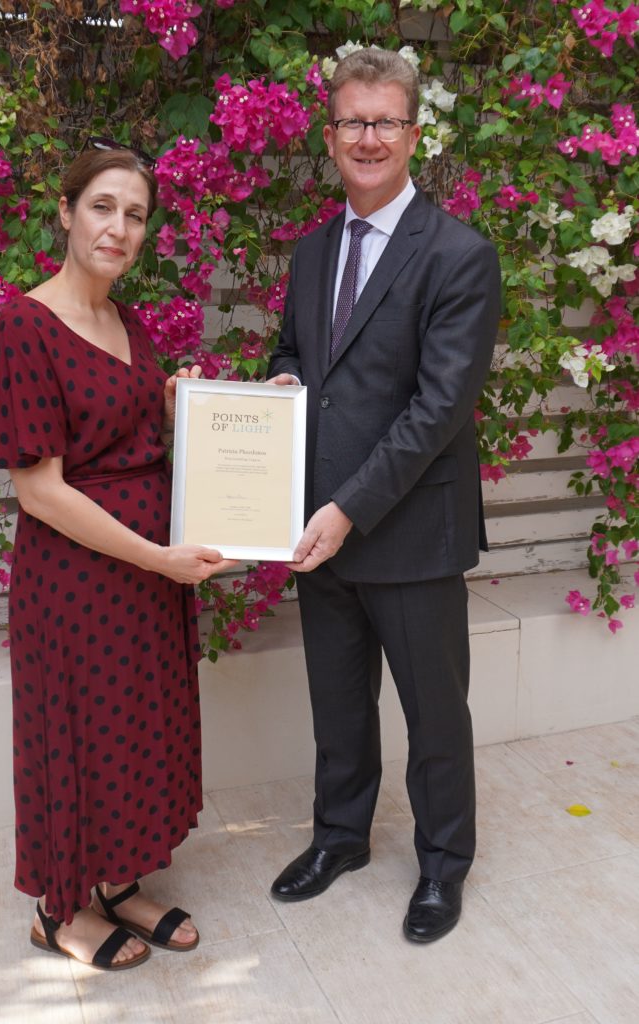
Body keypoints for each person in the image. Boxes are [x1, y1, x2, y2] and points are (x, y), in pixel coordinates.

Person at [267, 48, 500, 943]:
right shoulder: (313, 250)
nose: (368, 138)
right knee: (337, 702)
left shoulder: (458, 254)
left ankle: (443, 867)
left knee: (433, 714)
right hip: (317, 526)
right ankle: (340, 838)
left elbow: (437, 409)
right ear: (329, 137)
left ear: (413, 135)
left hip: (405, 529)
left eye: (385, 122)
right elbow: (297, 358)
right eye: (352, 122)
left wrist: (346, 507)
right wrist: (284, 387)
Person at [0, 141, 235, 970]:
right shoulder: (24, 324)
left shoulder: (125, 322)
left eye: (134, 214)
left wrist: (178, 405)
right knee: (79, 738)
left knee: (135, 732)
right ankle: (61, 910)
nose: (117, 227)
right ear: (64, 212)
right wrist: (156, 558)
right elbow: (41, 489)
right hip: (78, 581)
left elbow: (127, 434)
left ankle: (121, 885)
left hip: (143, 577)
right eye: (101, 206)